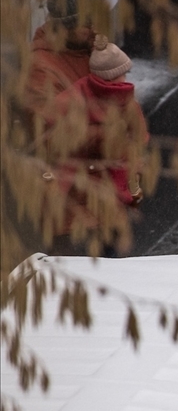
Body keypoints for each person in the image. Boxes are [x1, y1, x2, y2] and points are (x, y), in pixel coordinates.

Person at [45, 35, 146, 253]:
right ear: (113, 75)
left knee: (79, 267)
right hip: (97, 199)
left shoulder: (71, 99)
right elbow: (138, 142)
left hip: (80, 201)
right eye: (123, 73)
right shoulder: (123, 104)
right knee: (103, 268)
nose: (126, 77)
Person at [25, 0, 95, 121]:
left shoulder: (90, 47)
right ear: (64, 27)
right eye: (85, 21)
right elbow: (50, 128)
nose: (92, 26)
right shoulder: (41, 67)